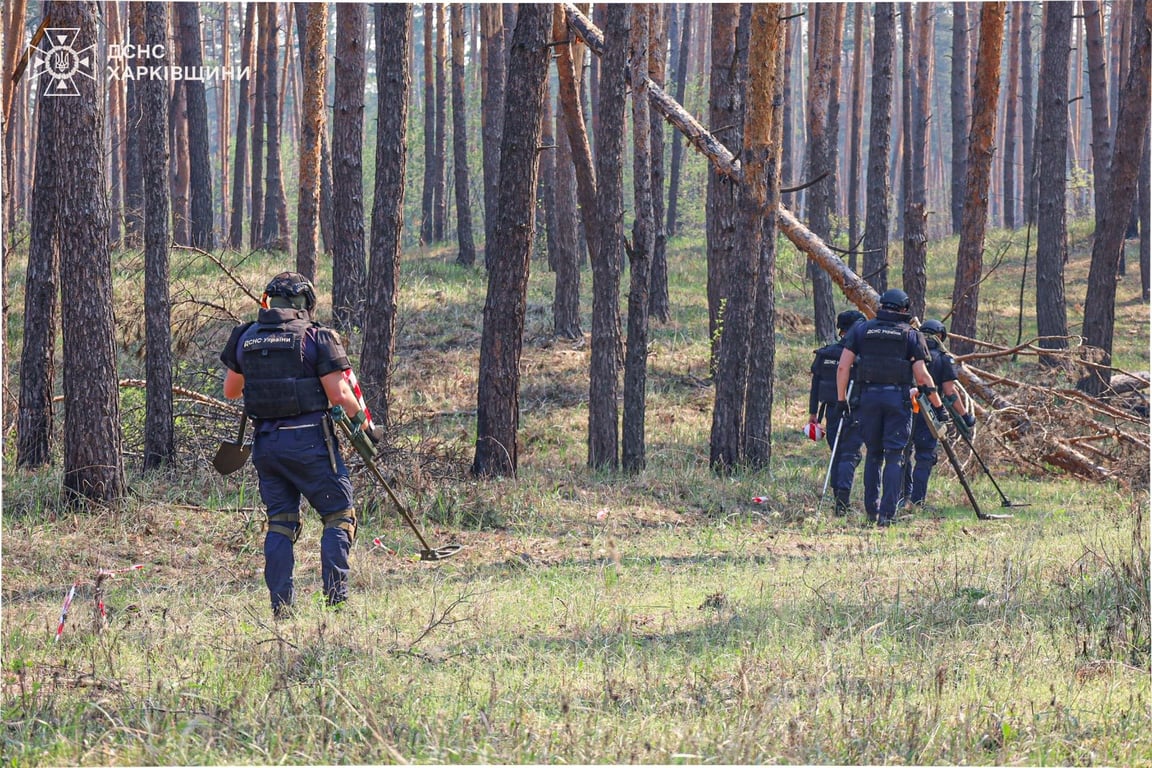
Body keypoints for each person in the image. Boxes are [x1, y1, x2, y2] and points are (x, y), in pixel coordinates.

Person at [220, 272, 372, 618]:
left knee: (280, 523)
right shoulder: (317, 336)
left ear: (269, 301)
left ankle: (282, 610)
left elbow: (231, 391)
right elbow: (339, 394)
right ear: (305, 302)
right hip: (310, 443)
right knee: (339, 516)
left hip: (266, 446)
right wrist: (364, 424)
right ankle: (336, 604)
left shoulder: (245, 336)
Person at [836, 289, 948, 526]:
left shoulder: (861, 330)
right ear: (904, 309)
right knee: (895, 456)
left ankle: (871, 511)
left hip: (867, 399)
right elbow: (922, 376)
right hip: (898, 400)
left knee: (873, 454)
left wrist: (841, 401)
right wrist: (939, 407)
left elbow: (843, 367)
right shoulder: (911, 334)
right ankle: (887, 515)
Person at [901, 319, 977, 508]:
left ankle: (902, 497)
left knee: (902, 453)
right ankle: (917, 501)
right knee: (925, 455)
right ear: (941, 336)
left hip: (904, 408)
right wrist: (965, 416)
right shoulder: (943, 358)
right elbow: (950, 391)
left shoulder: (909, 351)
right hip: (930, 412)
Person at [808, 309, 866, 515]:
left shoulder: (825, 354)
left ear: (842, 331)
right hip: (853, 410)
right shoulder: (858, 357)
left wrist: (813, 413)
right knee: (848, 454)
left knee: (838, 454)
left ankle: (839, 498)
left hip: (831, 411)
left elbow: (815, 385)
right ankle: (842, 502)